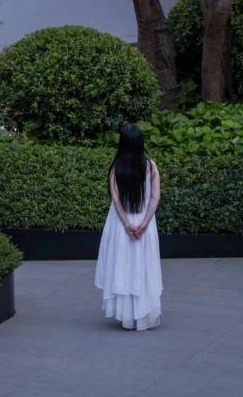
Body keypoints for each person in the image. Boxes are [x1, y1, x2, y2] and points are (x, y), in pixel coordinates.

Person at [94, 121, 163, 330]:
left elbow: (115, 199)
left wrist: (127, 225)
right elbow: (155, 197)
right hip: (144, 222)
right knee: (144, 266)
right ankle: (143, 314)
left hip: (120, 223)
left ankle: (125, 314)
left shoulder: (116, 168)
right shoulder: (151, 166)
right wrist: (144, 223)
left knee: (122, 266)